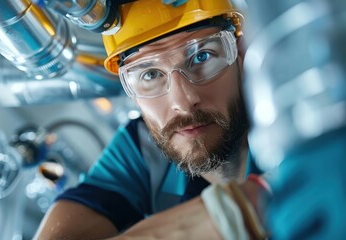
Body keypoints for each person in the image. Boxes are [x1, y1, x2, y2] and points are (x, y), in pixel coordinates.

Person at [34, 0, 267, 239]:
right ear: (132, 95)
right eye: (151, 74)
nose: (184, 102)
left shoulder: (284, 119)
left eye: (202, 57)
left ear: (240, 53)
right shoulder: (142, 149)